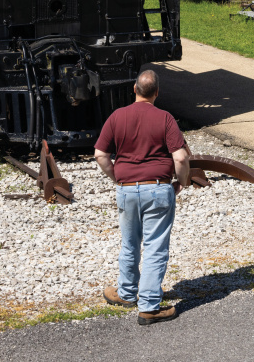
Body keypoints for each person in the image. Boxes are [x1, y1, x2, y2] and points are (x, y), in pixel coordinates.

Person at [94, 68, 191, 325]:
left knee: (130, 243)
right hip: (158, 188)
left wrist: (117, 178)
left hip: (127, 190)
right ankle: (148, 305)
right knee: (155, 247)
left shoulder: (117, 116)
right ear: (157, 93)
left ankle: (126, 293)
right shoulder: (166, 118)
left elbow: (100, 155)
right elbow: (180, 157)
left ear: (134, 89)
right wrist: (181, 182)